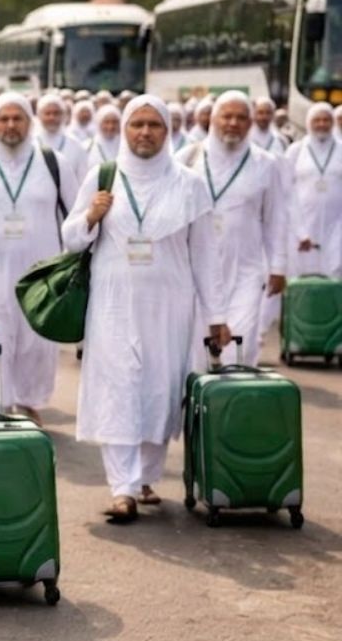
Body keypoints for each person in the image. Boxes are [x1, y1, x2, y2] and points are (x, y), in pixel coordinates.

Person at [61, 96, 229, 522]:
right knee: (118, 387)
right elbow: (70, 239)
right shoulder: (104, 176)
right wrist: (90, 216)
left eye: (154, 125)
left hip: (169, 308)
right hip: (113, 305)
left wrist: (217, 316)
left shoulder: (189, 184)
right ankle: (122, 488)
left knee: (160, 388)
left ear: (167, 131)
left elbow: (205, 255)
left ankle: (147, 477)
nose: (145, 132)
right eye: (137, 124)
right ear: (125, 130)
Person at [0, 93, 76, 423]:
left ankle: (27, 406)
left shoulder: (53, 163)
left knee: (35, 348)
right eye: (3, 119)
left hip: (40, 282)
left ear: (29, 122)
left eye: (17, 118)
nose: (10, 125)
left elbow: (74, 216)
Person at [176, 91, 287, 369]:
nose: (233, 123)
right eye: (227, 116)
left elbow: (275, 218)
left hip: (245, 271)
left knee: (241, 345)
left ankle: (234, 394)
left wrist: (278, 266)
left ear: (250, 123)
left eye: (240, 118)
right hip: (194, 270)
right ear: (213, 119)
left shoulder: (266, 163)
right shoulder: (187, 158)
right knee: (194, 351)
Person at [286, 103, 342, 278]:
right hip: (303, 224)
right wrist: (299, 230)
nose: (321, 124)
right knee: (304, 275)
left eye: (326, 120)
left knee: (335, 273)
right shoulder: (295, 151)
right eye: (317, 120)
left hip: (336, 225)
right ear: (309, 123)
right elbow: (286, 190)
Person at [37, 94, 87, 182]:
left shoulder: (75, 144)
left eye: (56, 113)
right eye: (47, 113)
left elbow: (82, 178)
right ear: (40, 115)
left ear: (63, 115)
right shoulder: (32, 142)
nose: (51, 117)